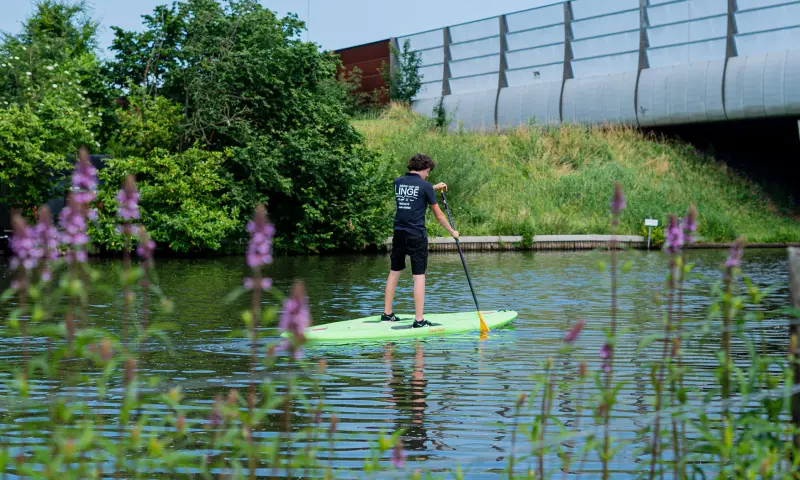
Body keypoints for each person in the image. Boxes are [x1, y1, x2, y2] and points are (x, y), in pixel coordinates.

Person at [382, 153, 459, 328]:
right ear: (423, 168)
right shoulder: (425, 186)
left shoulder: (398, 182)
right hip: (416, 236)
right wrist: (452, 231)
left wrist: (432, 187)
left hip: (399, 234)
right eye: (428, 171)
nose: (428, 175)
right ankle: (419, 320)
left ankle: (387, 314)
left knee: (394, 272)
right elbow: (439, 215)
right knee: (419, 277)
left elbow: (415, 191)